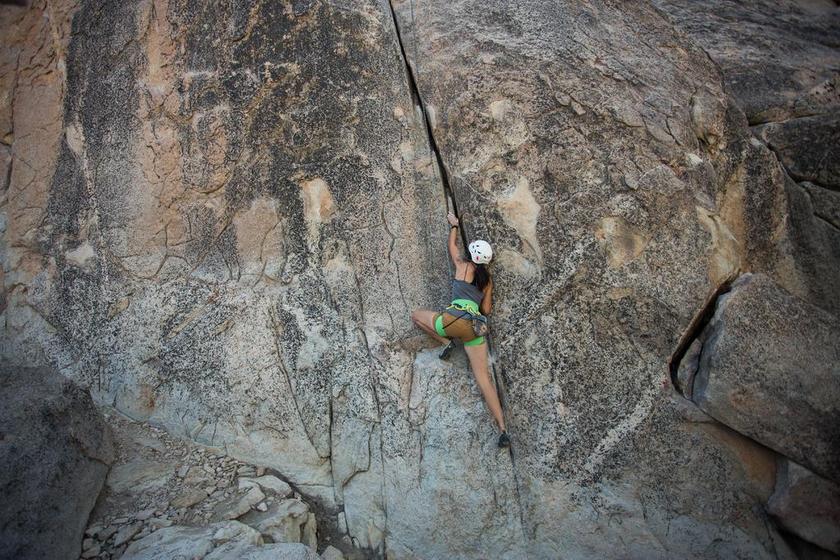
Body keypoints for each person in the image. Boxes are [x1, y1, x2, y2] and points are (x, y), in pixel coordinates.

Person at [410, 212, 510, 448]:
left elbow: (452, 248)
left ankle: (446, 343)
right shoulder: (488, 280)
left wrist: (454, 226)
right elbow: (486, 309)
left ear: (472, 254)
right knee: (484, 379)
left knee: (416, 316)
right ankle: (503, 429)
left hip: (452, 320)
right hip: (475, 329)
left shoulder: (462, 266)